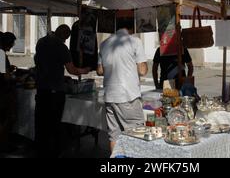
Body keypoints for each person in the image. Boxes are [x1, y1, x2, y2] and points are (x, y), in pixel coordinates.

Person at [34, 25, 90, 157]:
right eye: (66, 38)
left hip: (42, 88)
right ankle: (53, 152)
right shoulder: (61, 47)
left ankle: (40, 150)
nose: (65, 40)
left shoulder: (41, 41)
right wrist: (84, 70)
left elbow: (40, 62)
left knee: (41, 121)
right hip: (55, 91)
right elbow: (72, 70)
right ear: (65, 36)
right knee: (54, 122)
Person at [97, 19, 148, 153]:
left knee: (114, 135)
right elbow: (142, 70)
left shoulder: (104, 43)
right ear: (131, 29)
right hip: (127, 96)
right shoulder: (134, 41)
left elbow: (100, 70)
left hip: (110, 96)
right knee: (137, 134)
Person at [0, 32, 17, 152]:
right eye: (12, 44)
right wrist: (17, 78)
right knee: (6, 119)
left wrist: (8, 68)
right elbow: (5, 77)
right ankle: (3, 145)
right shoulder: (1, 54)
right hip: (2, 92)